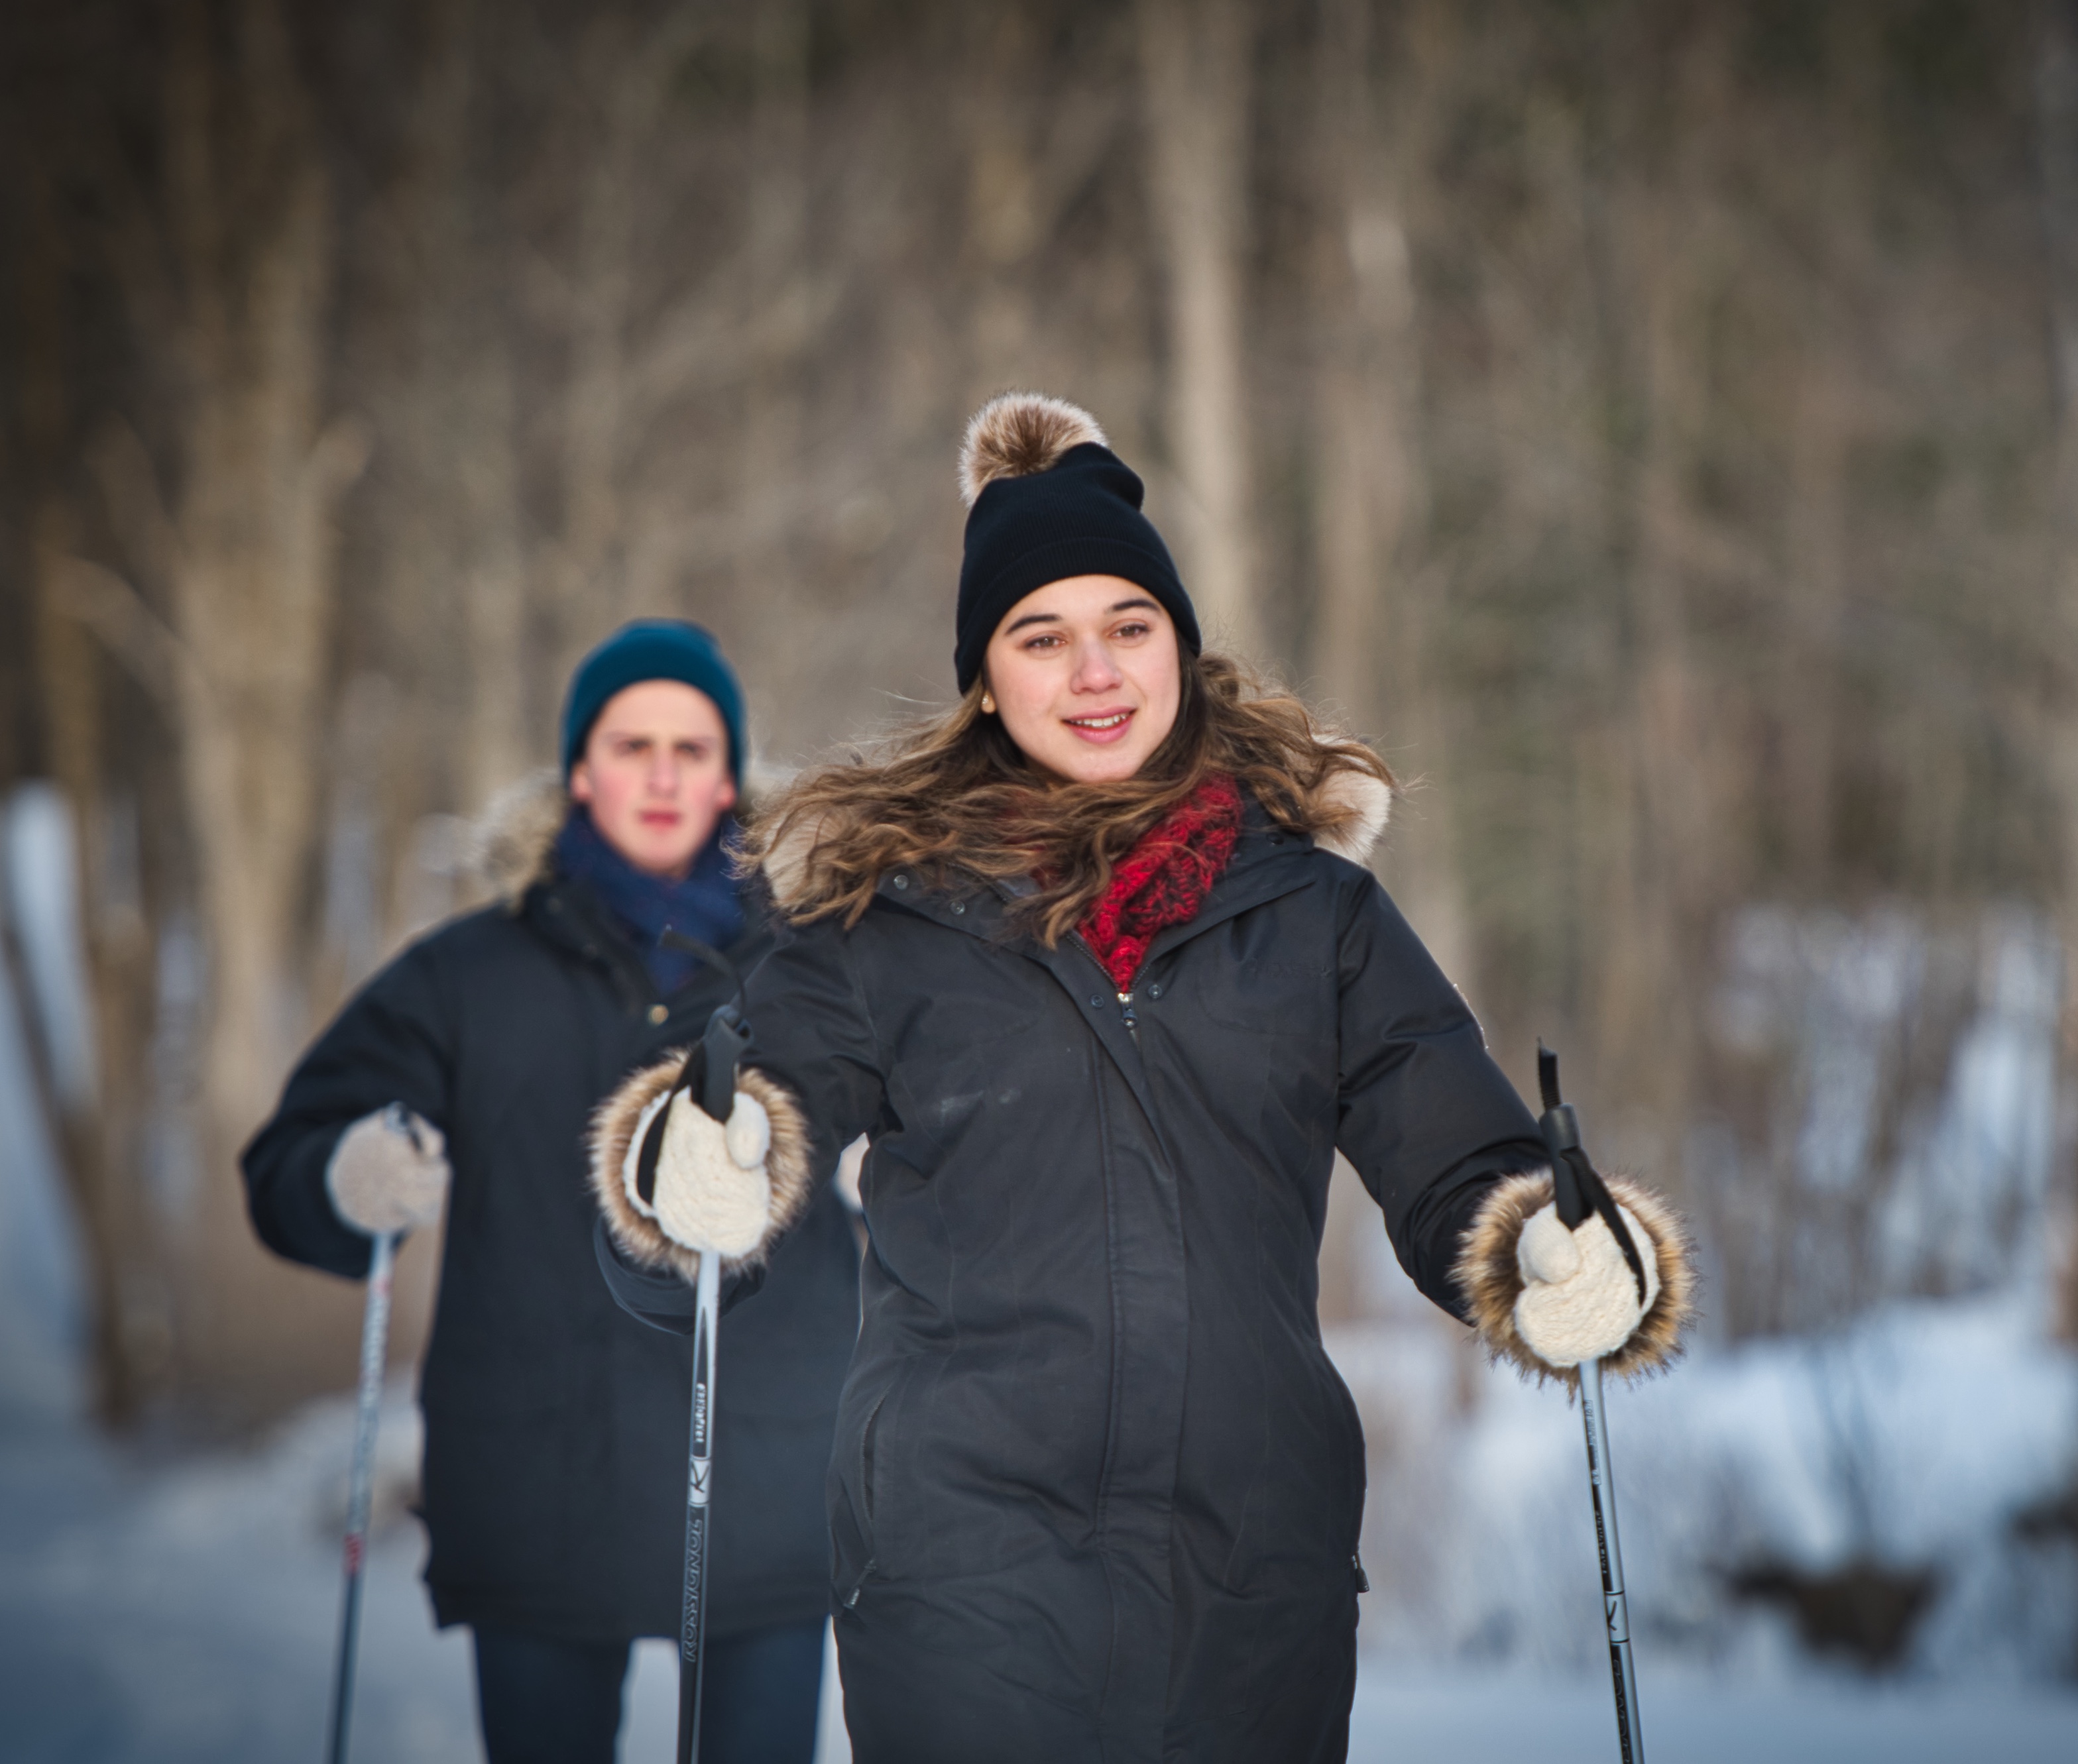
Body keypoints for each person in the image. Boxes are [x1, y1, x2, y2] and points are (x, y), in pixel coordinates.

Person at [588, 395, 1692, 1762]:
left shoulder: (1312, 918)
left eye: (1128, 624)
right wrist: (693, 1173)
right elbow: (726, 1157)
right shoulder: (890, 926)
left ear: (1180, 645)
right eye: (1040, 637)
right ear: (986, 679)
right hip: (959, 1574)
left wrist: (1554, 1252)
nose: (1094, 670)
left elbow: (1460, 1161)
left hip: (1252, 1580)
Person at [243, 621, 860, 1764]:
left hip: (771, 1491)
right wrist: (345, 1174)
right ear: (581, 768)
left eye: (693, 745)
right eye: (633, 744)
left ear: (732, 772)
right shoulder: (469, 973)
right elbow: (286, 1164)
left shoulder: (823, 964)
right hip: (539, 1486)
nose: (665, 773)